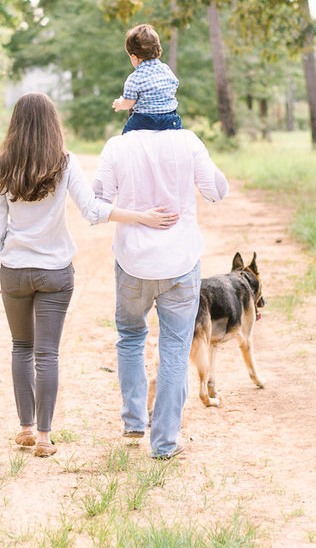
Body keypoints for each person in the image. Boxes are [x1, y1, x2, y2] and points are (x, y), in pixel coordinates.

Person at [0, 92, 178, 458]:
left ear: (16, 124)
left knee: (21, 348)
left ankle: (25, 428)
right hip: (55, 271)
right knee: (46, 353)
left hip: (15, 269)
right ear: (51, 125)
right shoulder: (64, 162)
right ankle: (44, 437)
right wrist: (141, 216)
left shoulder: (1, 165)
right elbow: (92, 210)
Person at [92, 125, 228, 459]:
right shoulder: (188, 141)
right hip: (180, 264)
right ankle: (165, 443)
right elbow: (216, 191)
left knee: (130, 335)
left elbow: (97, 201)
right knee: (175, 349)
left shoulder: (117, 145)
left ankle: (135, 419)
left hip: (133, 262)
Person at [111, 23, 183, 134]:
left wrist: (119, 104)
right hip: (171, 119)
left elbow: (129, 103)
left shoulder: (135, 78)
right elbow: (175, 84)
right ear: (159, 50)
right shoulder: (166, 69)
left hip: (145, 120)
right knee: (178, 134)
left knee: (126, 136)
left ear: (134, 57)